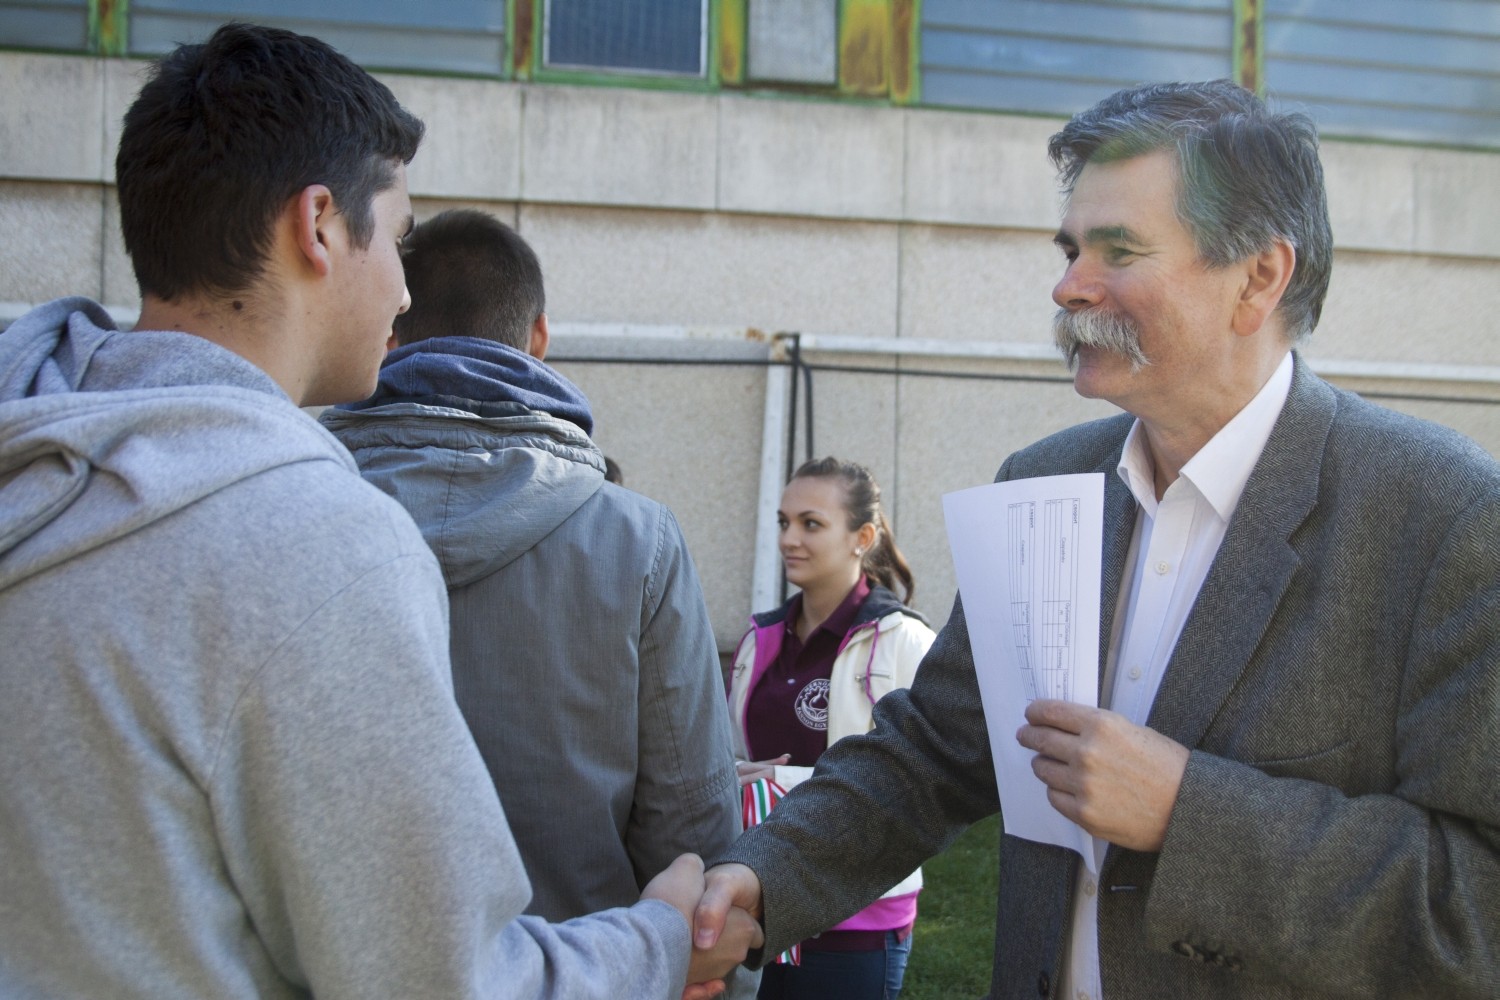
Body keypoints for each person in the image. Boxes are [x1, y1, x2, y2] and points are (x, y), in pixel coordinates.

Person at [694, 79, 1500, 999]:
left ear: (1258, 278)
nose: (1069, 285)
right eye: (1072, 248)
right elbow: (936, 750)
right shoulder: (1042, 482)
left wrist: (1187, 814)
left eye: (1118, 250)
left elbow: (1479, 904)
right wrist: (761, 878)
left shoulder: (1444, 517)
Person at [0, 22, 756, 1000]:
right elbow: (445, 982)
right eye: (397, 240)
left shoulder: (36, 469)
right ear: (318, 225)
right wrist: (661, 942)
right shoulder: (319, 535)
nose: (405, 289)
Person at [321, 208, 745, 935]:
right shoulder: (638, 539)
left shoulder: (291, 508)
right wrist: (701, 965)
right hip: (588, 965)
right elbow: (690, 822)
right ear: (539, 337)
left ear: (391, 331)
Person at [727, 457, 935, 1000]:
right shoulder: (758, 640)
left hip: (856, 917)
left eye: (811, 523)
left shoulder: (905, 642)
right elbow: (729, 754)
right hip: (757, 902)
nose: (788, 539)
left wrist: (788, 783)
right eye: (783, 522)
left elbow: (927, 784)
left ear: (861, 537)